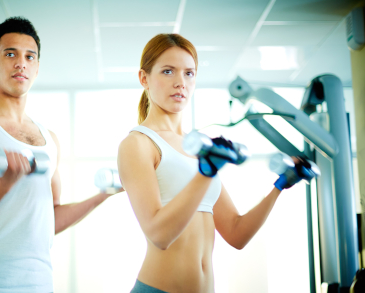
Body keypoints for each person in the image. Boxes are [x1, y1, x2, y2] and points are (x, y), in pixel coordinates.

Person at [0, 17, 116, 293]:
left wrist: (103, 195)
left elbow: (49, 219)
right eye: (10, 54)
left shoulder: (49, 138)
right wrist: (4, 185)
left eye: (30, 57)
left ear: (37, 67)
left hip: (39, 285)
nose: (21, 63)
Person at [117, 34, 300, 293]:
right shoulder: (138, 144)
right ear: (144, 78)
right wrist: (206, 171)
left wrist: (280, 185)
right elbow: (159, 236)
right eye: (168, 71)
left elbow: (237, 233)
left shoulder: (197, 148)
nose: (180, 82)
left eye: (189, 73)